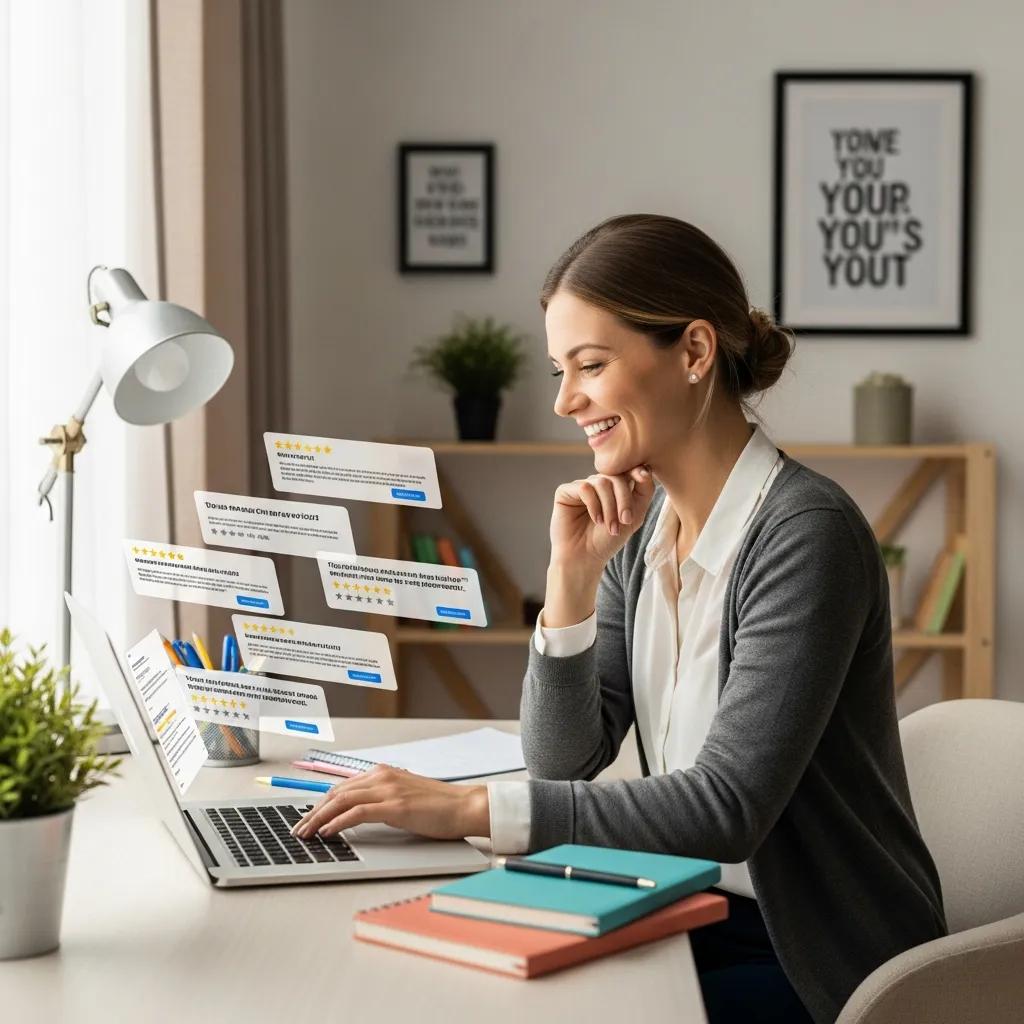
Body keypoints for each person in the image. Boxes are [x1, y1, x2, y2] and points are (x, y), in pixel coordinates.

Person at [293, 214, 947, 1023]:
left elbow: (725, 810)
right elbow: (564, 758)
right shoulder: (644, 540)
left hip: (820, 959)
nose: (566, 400)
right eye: (560, 370)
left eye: (590, 366)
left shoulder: (806, 537)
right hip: (688, 908)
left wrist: (468, 810)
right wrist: (572, 577)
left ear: (696, 353)